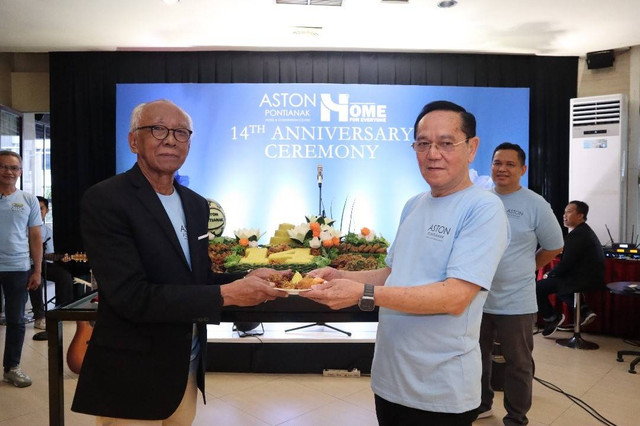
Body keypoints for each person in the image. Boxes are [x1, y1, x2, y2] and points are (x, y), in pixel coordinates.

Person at [71, 99, 287, 423]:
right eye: (158, 129)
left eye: (181, 133)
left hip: (186, 368)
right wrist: (228, 295)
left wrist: (247, 278)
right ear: (133, 140)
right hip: (132, 374)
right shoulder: (106, 200)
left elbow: (195, 279)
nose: (171, 139)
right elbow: (132, 296)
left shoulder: (197, 205)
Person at [301, 100, 510, 425]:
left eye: (445, 143)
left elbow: (455, 297)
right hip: (390, 380)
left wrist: (362, 294)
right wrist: (340, 275)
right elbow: (394, 273)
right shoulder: (414, 204)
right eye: (423, 144)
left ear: (472, 148)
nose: (432, 153)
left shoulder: (483, 210)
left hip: (441, 391)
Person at [476, 143, 564, 424]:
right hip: (477, 297)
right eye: (497, 162)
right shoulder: (480, 200)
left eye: (510, 164)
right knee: (476, 357)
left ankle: (516, 417)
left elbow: (554, 246)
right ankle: (481, 404)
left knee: (518, 363)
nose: (502, 169)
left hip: (517, 300)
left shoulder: (535, 204)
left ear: (523, 169)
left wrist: (527, 267)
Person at [0, 150, 43, 388]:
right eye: (4, 166)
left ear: (20, 172)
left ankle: (12, 367)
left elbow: (35, 236)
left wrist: (36, 270)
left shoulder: (28, 200)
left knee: (16, 320)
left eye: (14, 168)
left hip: (18, 267)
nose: (9, 171)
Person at [536, 200, 605, 337]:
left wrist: (549, 274)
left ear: (580, 215)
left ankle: (552, 318)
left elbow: (566, 264)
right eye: (564, 212)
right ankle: (584, 310)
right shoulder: (584, 231)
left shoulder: (577, 235)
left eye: (568, 212)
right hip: (589, 278)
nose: (564, 215)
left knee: (536, 288)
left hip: (581, 280)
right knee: (558, 285)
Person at [28, 196, 75, 331]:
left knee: (64, 276)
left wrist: (61, 257)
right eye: (35, 208)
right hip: (26, 264)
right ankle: (39, 316)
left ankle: (63, 311)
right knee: (37, 280)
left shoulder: (48, 231)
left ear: (47, 211)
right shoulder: (23, 227)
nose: (38, 211)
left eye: (41, 208)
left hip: (44, 264)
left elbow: (49, 255)